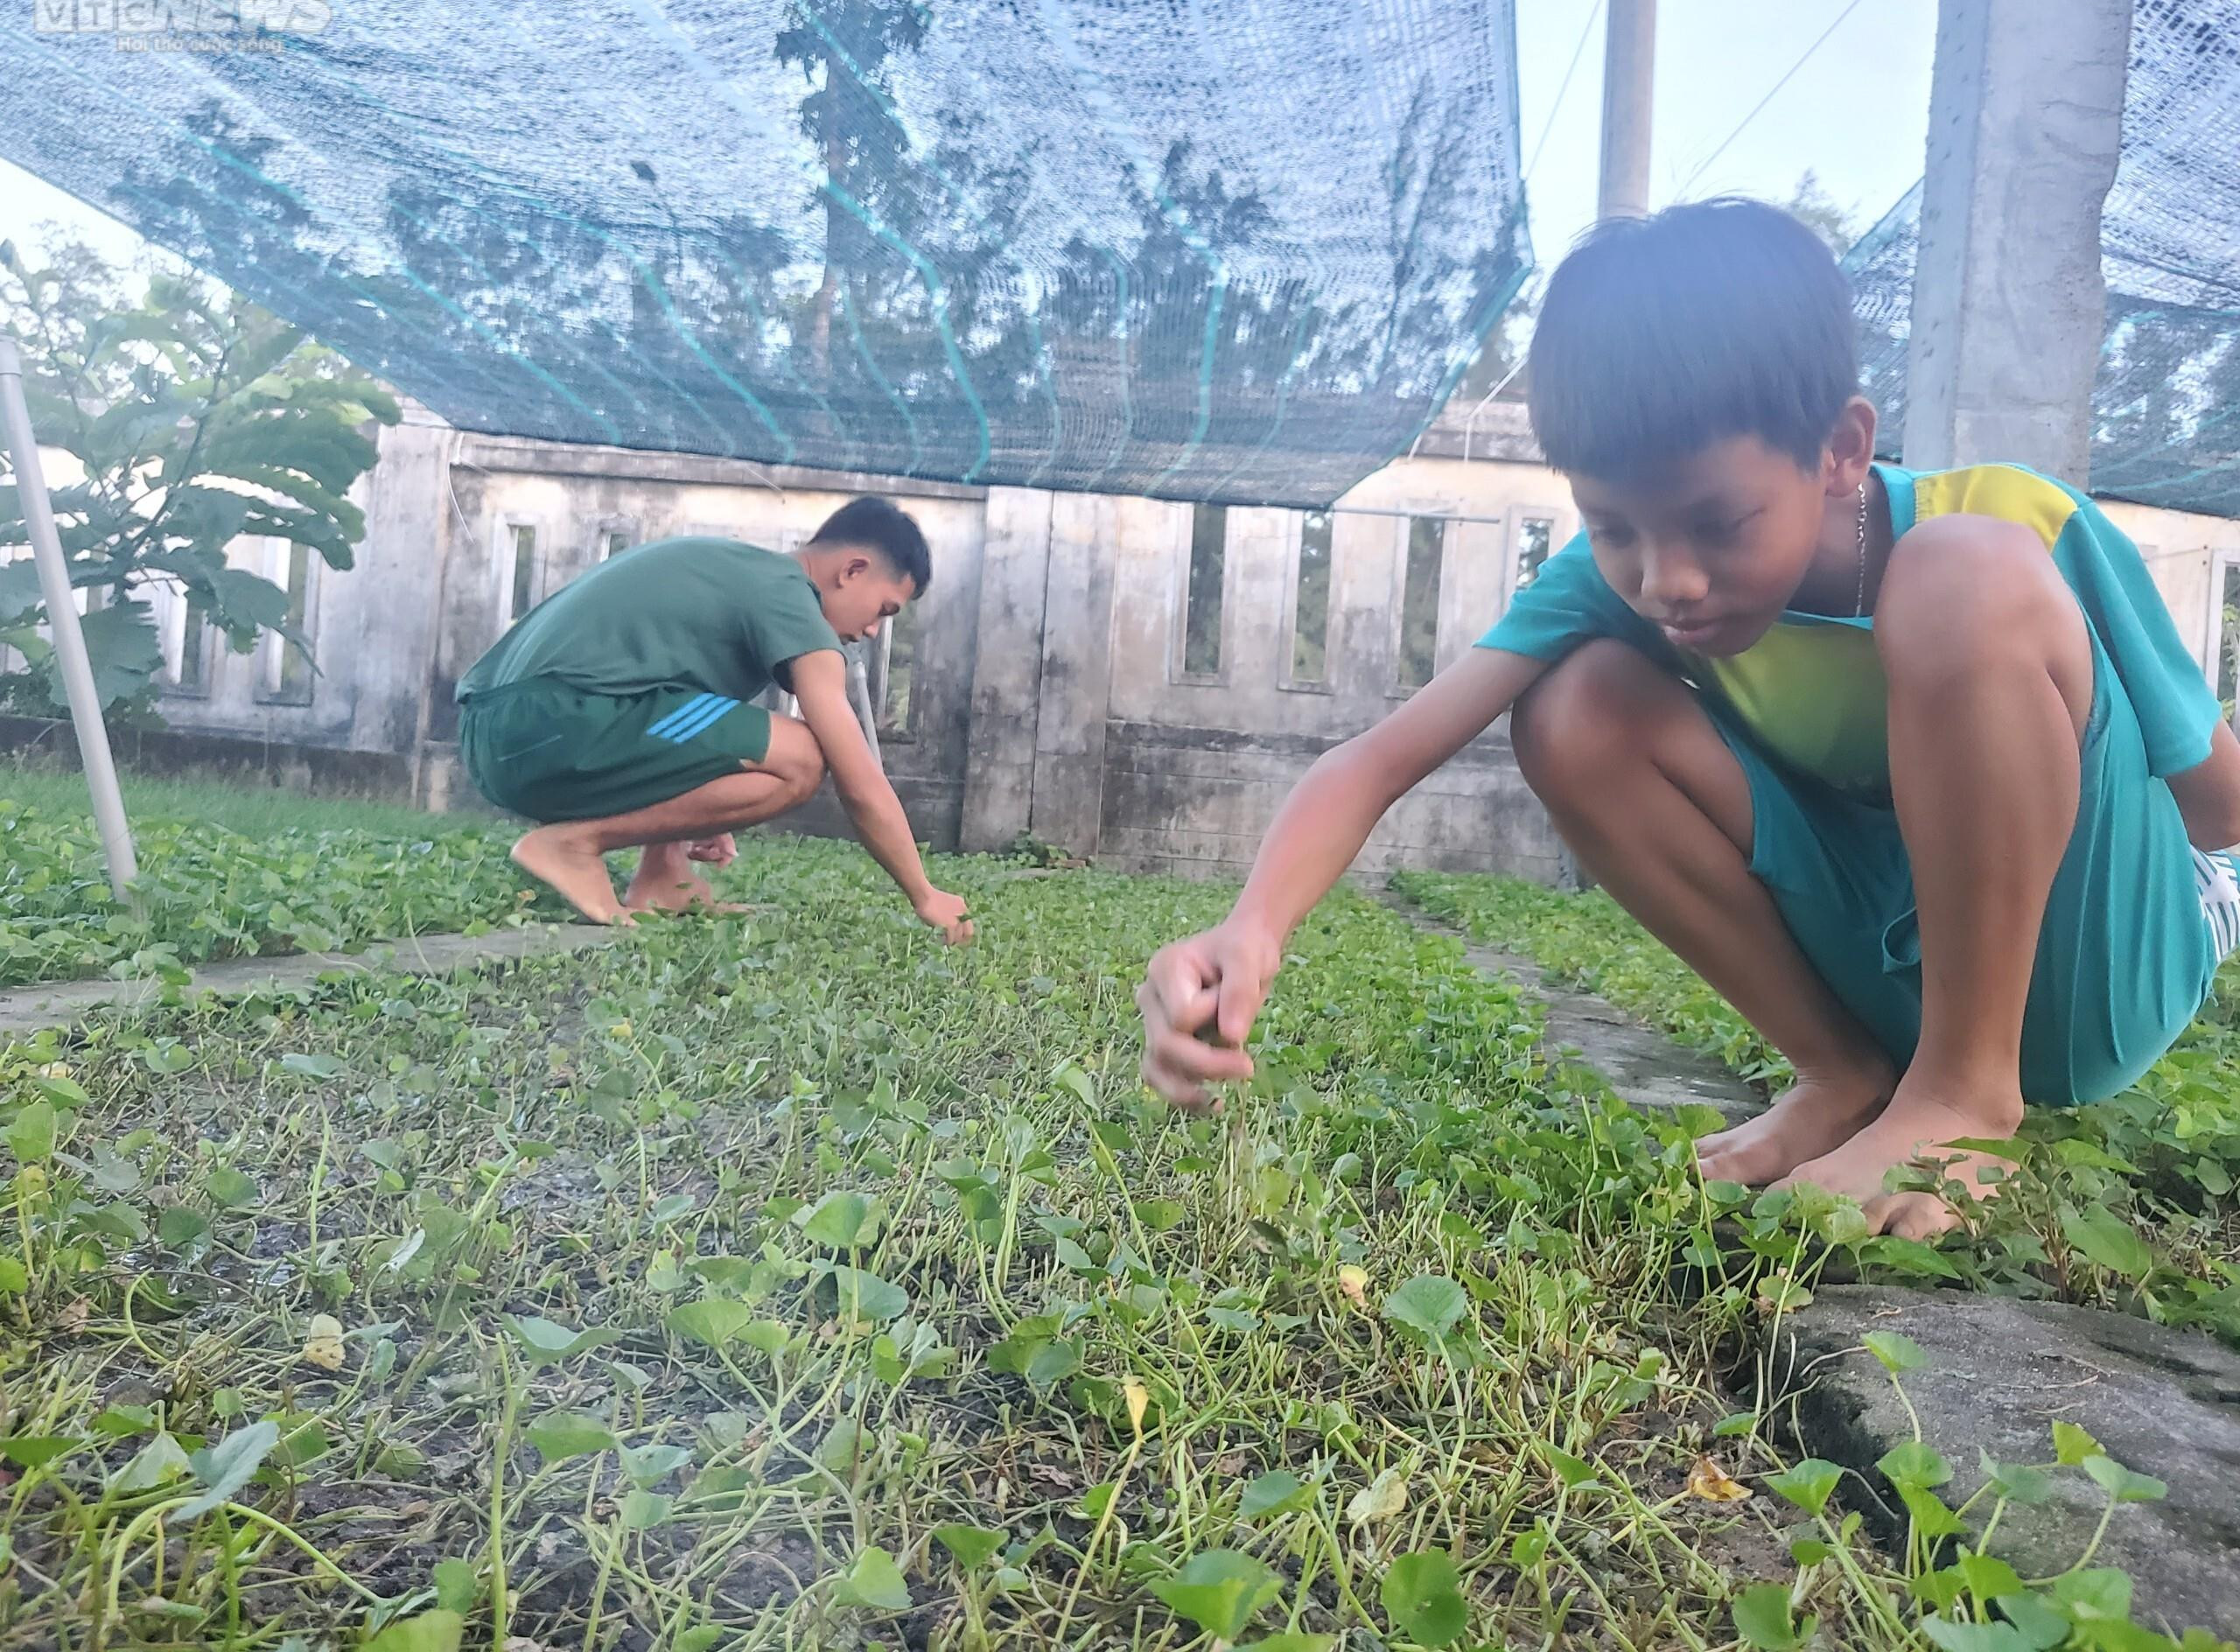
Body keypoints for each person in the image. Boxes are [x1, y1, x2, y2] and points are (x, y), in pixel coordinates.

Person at [1136, 198, 2240, 1240]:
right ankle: (1847, 1075)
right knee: (1569, 709)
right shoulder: (1621, 583)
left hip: (2103, 962)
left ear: (1841, 449)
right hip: (1895, 975)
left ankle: (1961, 1095)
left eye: (1716, 521)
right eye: (1614, 527)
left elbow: (2218, 803)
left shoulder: (2009, 521)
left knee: (1962, 576)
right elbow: (1380, 759)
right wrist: (1250, 927)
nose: (1667, 578)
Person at [457, 496, 973, 942]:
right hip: (551, 721)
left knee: (736, 733)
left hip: (504, 730)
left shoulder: (737, 572)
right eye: (885, 609)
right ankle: (570, 846)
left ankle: (664, 881)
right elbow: (857, 774)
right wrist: (923, 892)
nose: (874, 631)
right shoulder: (788, 594)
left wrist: (707, 799)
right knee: (804, 756)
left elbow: (673, 702)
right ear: (852, 570)